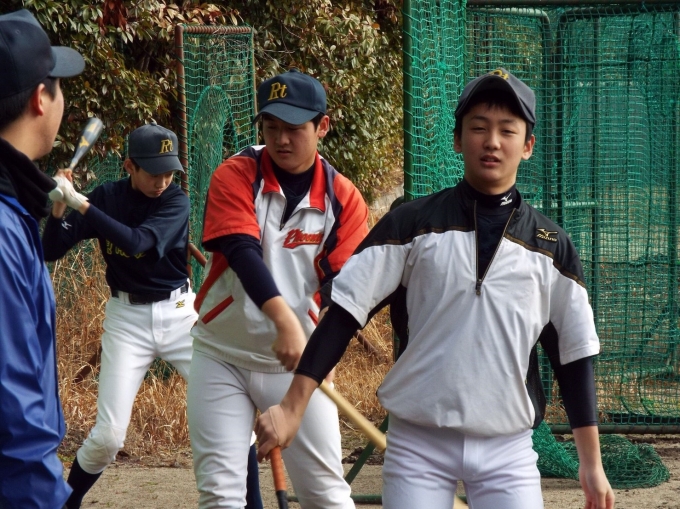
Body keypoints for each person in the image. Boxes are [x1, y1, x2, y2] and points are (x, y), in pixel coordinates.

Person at [256, 68, 616, 509]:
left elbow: (573, 357)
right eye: (478, 128)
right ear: (457, 139)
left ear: (527, 146)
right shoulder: (411, 225)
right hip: (418, 445)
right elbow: (345, 314)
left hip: (508, 450)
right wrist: (292, 406)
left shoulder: (551, 247)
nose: (492, 141)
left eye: (507, 130)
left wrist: (591, 464)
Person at [41, 121, 262, 509]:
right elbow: (51, 249)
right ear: (130, 166)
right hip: (126, 320)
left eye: (168, 171)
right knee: (108, 437)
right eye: (153, 172)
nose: (162, 180)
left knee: (234, 419)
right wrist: (60, 208)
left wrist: (82, 205)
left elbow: (139, 243)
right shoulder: (108, 197)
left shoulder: (176, 201)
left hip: (181, 317)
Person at [187, 68, 369, 508]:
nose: (281, 140)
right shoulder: (236, 174)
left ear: (322, 126)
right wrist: (284, 319)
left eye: (294, 128)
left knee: (325, 495)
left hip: (297, 364)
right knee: (220, 497)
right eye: (271, 127)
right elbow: (242, 252)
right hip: (221, 354)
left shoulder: (344, 199)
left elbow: (343, 295)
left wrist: (320, 354)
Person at [0, 9, 85, 509]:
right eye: (59, 85)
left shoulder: (15, 207)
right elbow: (12, 406)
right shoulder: (3, 226)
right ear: (39, 98)